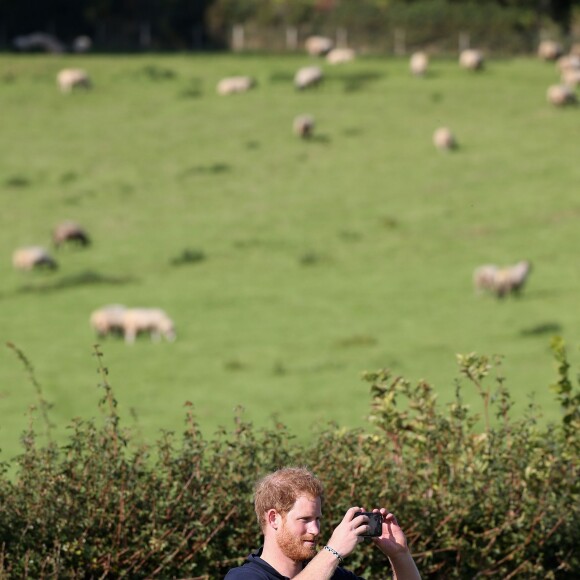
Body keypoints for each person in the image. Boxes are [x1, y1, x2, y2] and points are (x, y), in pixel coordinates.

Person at [225, 466, 421, 579]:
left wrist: (399, 554)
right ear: (273, 518)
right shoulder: (243, 577)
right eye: (305, 519)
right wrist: (333, 551)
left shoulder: (333, 576)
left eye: (317, 519)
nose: (315, 529)